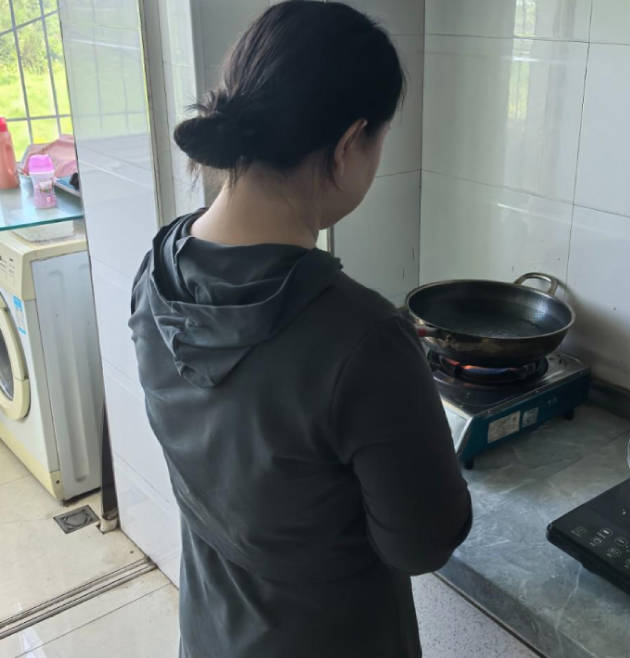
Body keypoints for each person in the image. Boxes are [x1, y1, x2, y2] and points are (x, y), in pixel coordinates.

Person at [129, 2, 472, 656]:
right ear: (349, 144)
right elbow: (423, 544)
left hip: (211, 635)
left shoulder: (160, 271)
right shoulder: (364, 338)